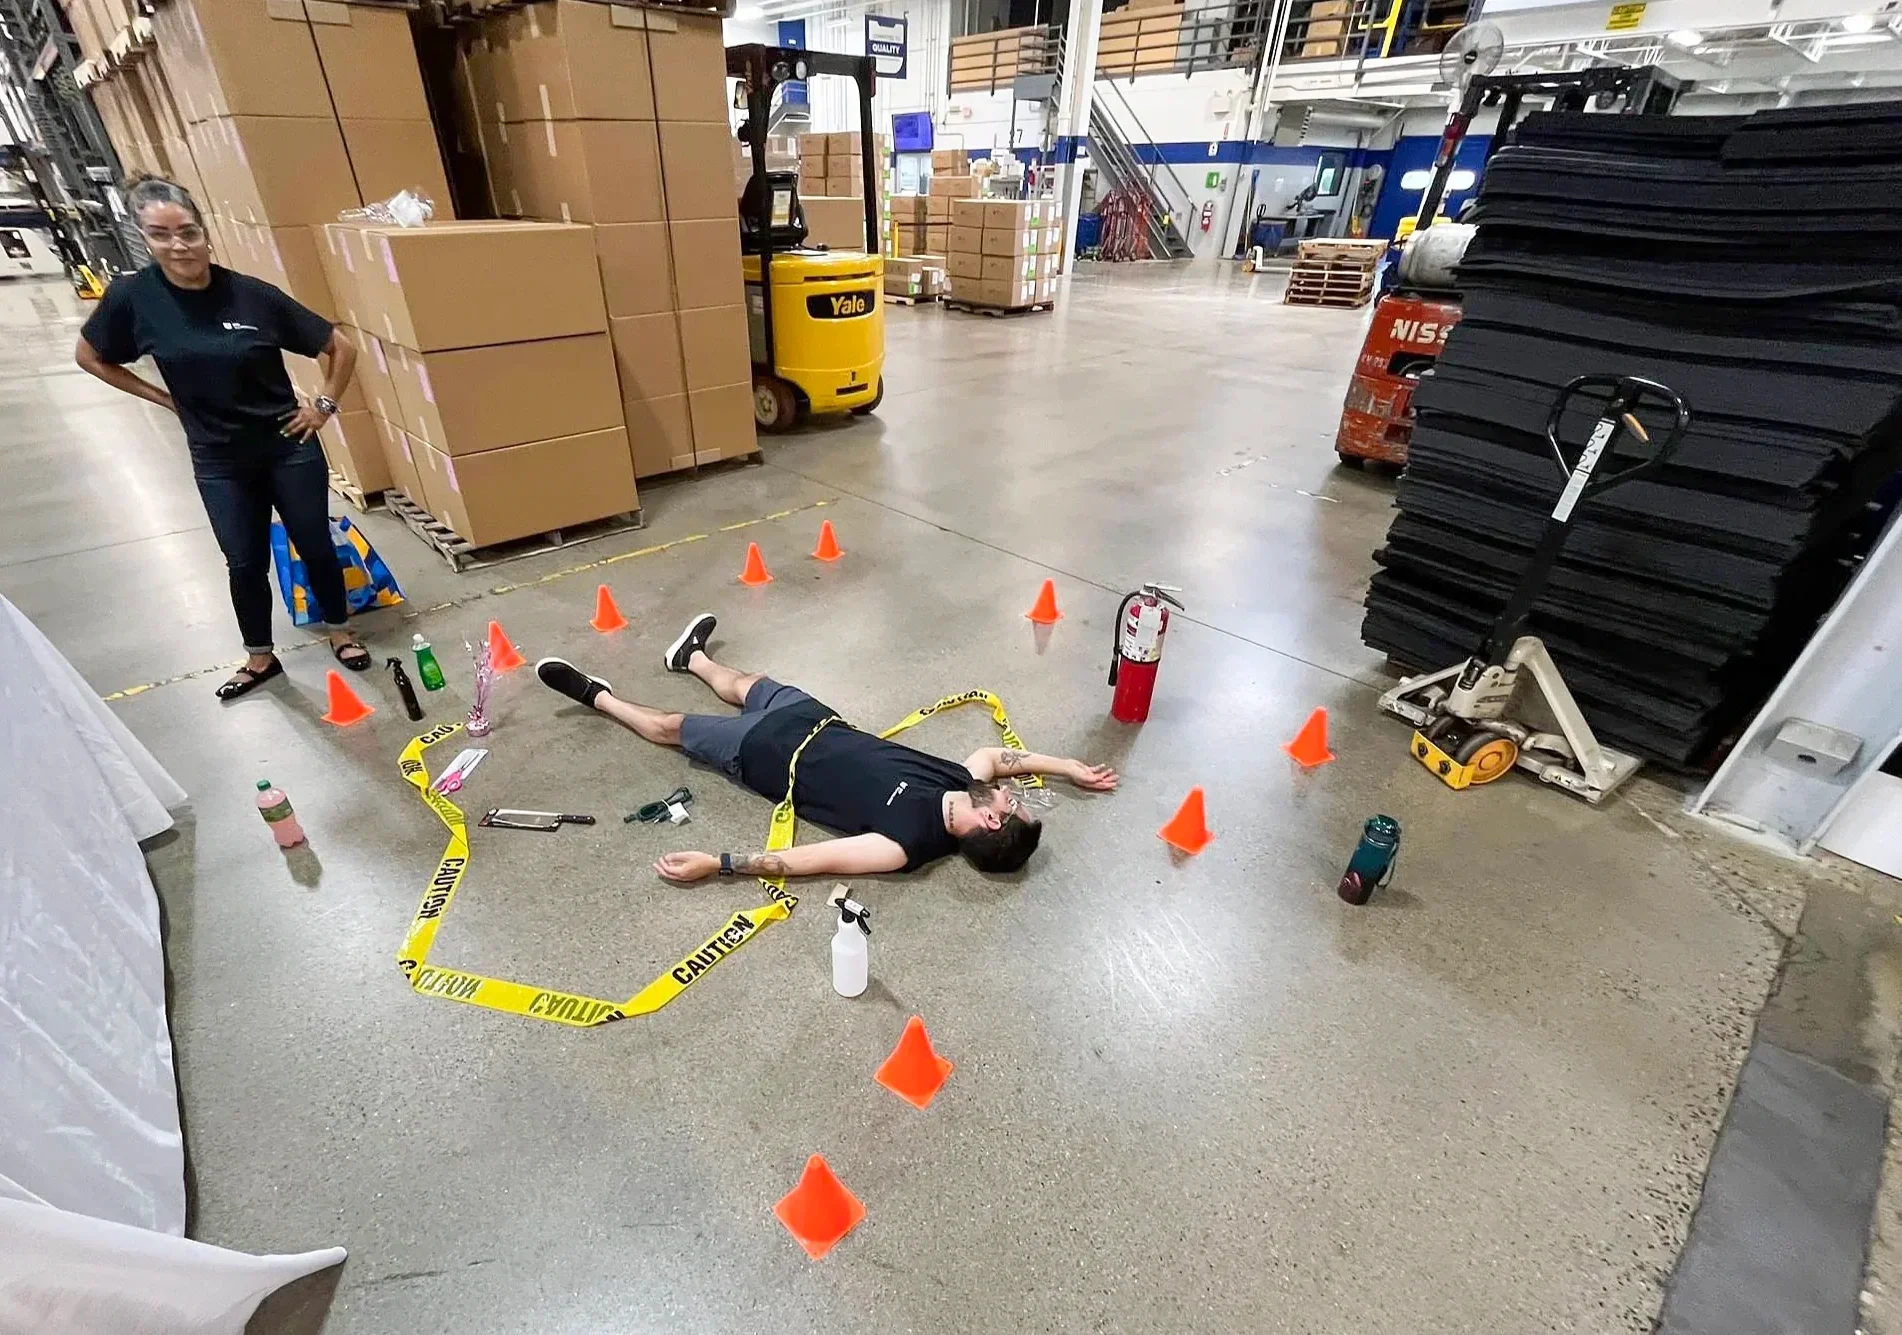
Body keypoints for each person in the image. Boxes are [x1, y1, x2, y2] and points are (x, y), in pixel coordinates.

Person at [534, 613, 1120, 883]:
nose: (1011, 791)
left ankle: (598, 697)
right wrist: (1067, 766)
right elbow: (996, 757)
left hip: (762, 753)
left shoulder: (905, 845)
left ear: (990, 821)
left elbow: (805, 862)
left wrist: (720, 863)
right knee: (744, 683)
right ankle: (690, 656)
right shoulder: (958, 781)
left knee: (668, 727)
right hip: (813, 716)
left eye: (1013, 803)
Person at [75, 173, 368, 699]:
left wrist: (322, 407)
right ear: (145, 236)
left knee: (315, 545)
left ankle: (340, 631)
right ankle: (259, 656)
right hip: (218, 458)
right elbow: (90, 357)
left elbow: (340, 348)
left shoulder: (252, 296)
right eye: (161, 234)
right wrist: (164, 399)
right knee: (243, 558)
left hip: (287, 445)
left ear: (205, 231)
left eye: (188, 232)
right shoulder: (133, 298)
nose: (178, 245)